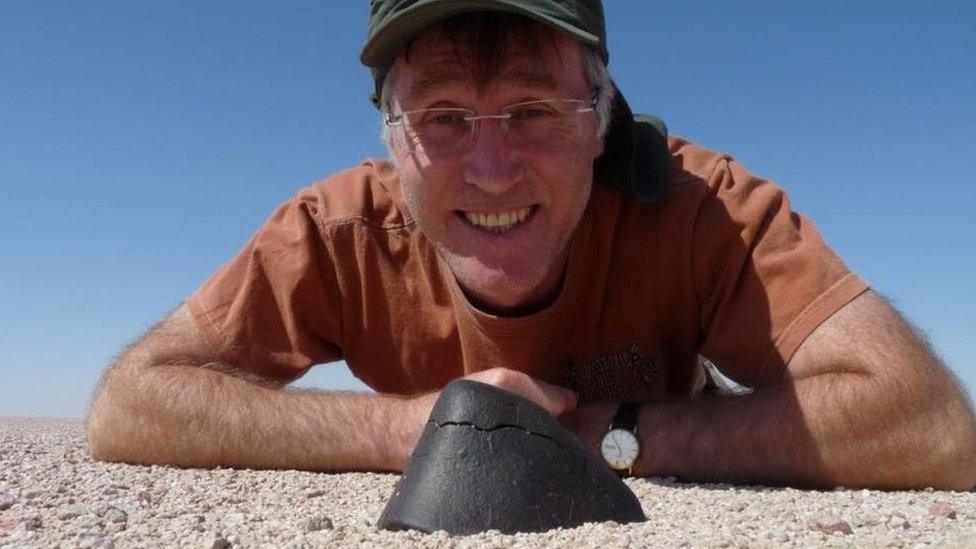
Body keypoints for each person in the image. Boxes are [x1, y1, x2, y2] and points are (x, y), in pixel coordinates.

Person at [87, 1, 976, 490]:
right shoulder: (337, 229)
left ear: (601, 122)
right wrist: (429, 426)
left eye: (534, 111)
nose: (492, 168)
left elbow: (929, 421)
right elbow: (132, 403)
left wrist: (607, 435)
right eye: (442, 118)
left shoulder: (703, 207)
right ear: (394, 140)